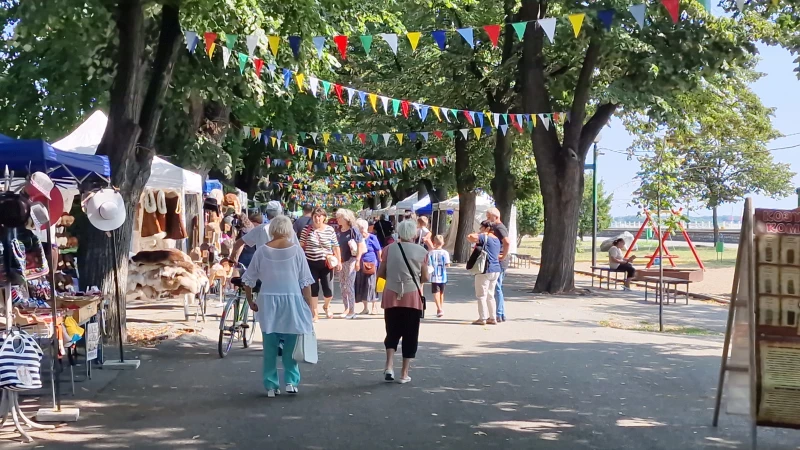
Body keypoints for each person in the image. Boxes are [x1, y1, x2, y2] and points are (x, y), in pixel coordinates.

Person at [241, 215, 314, 398]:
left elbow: (248, 280)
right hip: (292, 299)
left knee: (270, 345)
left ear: (272, 229)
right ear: (289, 230)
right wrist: (310, 305)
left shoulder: (262, 251)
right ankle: (291, 381)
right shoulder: (297, 251)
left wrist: (250, 300)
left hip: (268, 300)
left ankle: (271, 385)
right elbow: (305, 281)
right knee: (291, 342)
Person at [377, 219, 429, 384]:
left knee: (391, 331)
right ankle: (404, 373)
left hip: (391, 294)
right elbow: (425, 277)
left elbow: (381, 272)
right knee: (410, 334)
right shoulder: (421, 251)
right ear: (414, 233)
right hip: (412, 295)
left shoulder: (388, 249)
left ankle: (389, 365)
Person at [299, 208, 341, 321]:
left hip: (326, 263)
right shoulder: (306, 230)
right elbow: (301, 245)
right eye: (315, 216)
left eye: (320, 216)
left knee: (328, 290)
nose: (318, 218)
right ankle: (315, 313)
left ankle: (326, 306)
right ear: (312, 217)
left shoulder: (330, 230)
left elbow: (336, 246)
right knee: (314, 289)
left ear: (324, 217)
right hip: (310, 263)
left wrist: (339, 261)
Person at [231, 201, 298, 268]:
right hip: (285, 270)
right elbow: (297, 251)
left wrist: (233, 260)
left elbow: (239, 243)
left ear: (267, 214)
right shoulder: (290, 231)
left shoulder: (261, 229)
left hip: (263, 271)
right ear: (281, 213)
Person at [468, 221, 503, 325]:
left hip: (484, 269)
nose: (480, 229)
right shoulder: (497, 239)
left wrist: (480, 233)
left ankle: (482, 318)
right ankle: (492, 317)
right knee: (490, 295)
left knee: (481, 295)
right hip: (496, 269)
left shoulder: (484, 237)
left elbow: (470, 237)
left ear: (487, 228)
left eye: (481, 227)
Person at [335, 209, 366, 319]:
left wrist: (358, 260)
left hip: (351, 260)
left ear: (346, 218)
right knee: (342, 286)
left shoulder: (353, 230)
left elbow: (361, 244)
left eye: (339, 217)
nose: (337, 219)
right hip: (342, 260)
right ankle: (346, 308)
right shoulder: (339, 230)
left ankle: (352, 310)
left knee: (349, 285)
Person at [486, 207, 511, 322]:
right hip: (498, 260)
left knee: (497, 287)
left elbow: (507, 242)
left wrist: (503, 255)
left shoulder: (499, 227)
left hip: (500, 262)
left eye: (489, 217)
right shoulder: (495, 227)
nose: (487, 219)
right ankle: (500, 313)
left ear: (495, 217)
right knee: (496, 287)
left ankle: (499, 313)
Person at [355, 218, 382, 315]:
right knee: (362, 285)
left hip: (371, 265)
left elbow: (379, 251)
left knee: (372, 285)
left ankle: (374, 307)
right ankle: (365, 308)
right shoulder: (357, 238)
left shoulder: (372, 238)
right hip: (360, 264)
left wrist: (380, 262)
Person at [426, 235, 450, 318]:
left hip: (433, 275)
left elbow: (428, 264)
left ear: (434, 243)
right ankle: (440, 308)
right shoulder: (445, 253)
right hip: (443, 276)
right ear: (443, 243)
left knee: (435, 292)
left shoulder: (430, 253)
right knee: (441, 293)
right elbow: (448, 264)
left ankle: (439, 308)